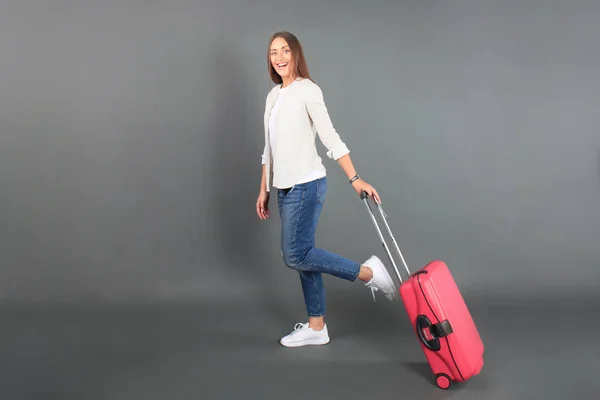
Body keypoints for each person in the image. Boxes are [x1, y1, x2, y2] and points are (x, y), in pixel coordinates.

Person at [256, 31, 397, 348]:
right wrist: (263, 189)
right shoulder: (273, 96)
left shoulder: (308, 90)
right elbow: (269, 150)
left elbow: (330, 138)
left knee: (296, 255)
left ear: (295, 54)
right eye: (272, 52)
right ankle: (317, 327)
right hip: (283, 188)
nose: (278, 57)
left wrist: (355, 178)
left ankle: (367, 273)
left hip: (307, 183)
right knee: (304, 257)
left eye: (284, 50)